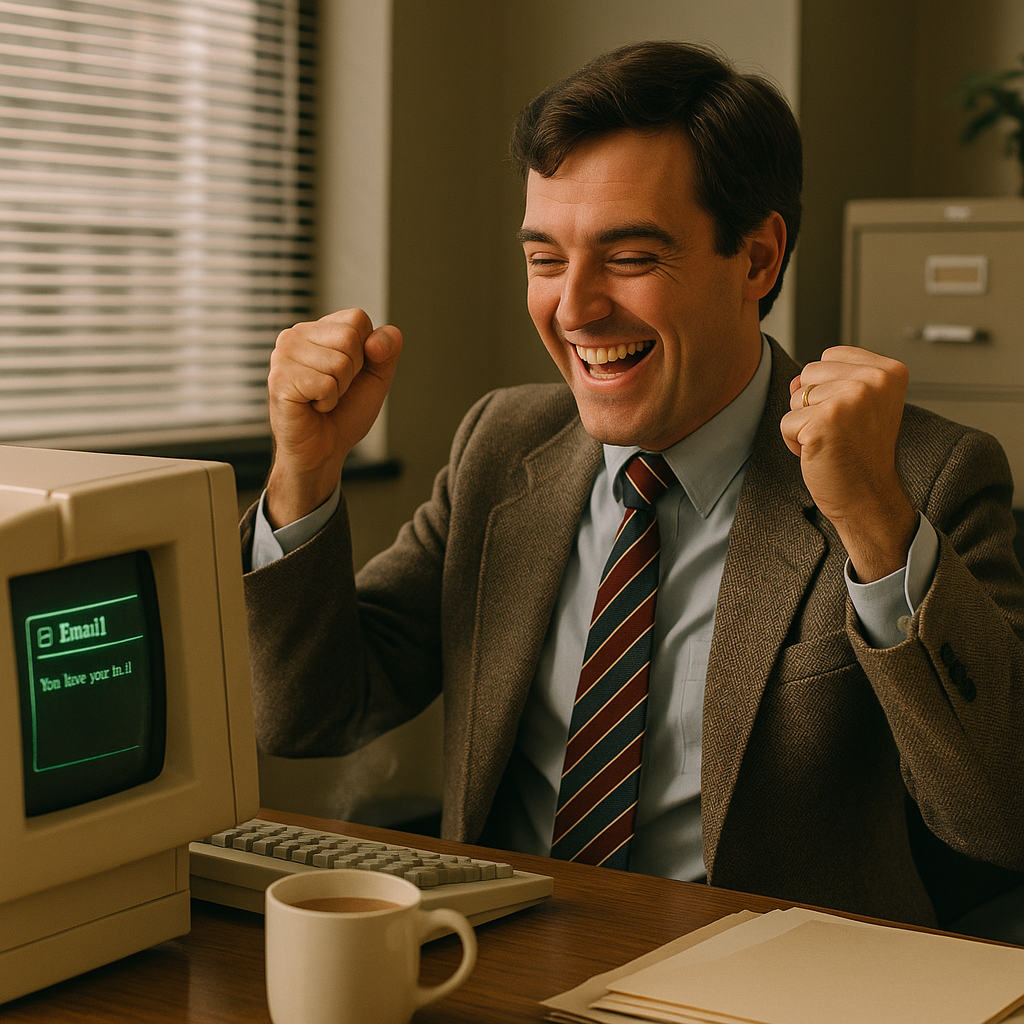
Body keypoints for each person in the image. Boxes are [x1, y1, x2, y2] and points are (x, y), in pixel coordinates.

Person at [242, 41, 1024, 927]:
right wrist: (302, 472)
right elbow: (305, 716)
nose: (575, 309)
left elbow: (1000, 821)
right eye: (545, 260)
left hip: (765, 994)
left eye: (631, 257)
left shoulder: (923, 476)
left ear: (759, 259)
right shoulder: (500, 443)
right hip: (492, 963)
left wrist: (873, 520)